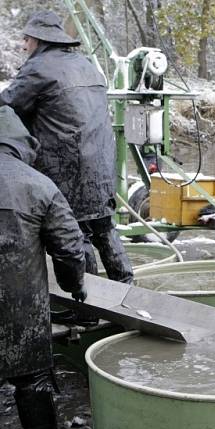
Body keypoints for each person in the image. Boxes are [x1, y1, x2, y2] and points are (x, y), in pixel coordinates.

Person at [0, 10, 133, 288]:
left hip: (67, 164)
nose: (23, 45)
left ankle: (87, 307)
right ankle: (127, 288)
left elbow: (7, 106)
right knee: (104, 226)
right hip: (101, 163)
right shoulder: (86, 65)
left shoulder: (38, 69)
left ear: (39, 40)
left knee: (76, 231)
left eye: (26, 39)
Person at [0, 106, 93, 429]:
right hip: (20, 311)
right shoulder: (38, 185)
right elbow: (71, 251)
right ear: (21, 143)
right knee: (32, 381)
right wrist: (75, 289)